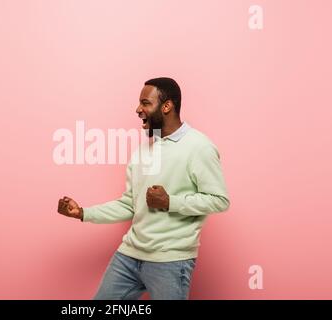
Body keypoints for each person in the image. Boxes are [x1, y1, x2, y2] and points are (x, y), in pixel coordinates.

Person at [57, 77, 230, 300]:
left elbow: (219, 199)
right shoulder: (144, 150)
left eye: (145, 103)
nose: (138, 109)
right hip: (129, 255)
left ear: (166, 106)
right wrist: (83, 213)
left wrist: (170, 202)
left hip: (170, 260)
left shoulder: (199, 147)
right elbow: (130, 203)